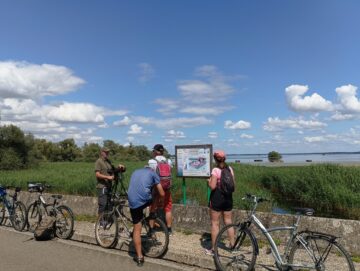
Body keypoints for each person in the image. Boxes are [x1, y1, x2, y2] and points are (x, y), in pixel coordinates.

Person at [127, 165, 165, 266]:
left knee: (137, 227)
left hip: (132, 200)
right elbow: (162, 193)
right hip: (143, 200)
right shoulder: (153, 173)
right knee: (157, 195)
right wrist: (161, 203)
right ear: (153, 169)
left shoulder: (136, 170)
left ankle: (139, 257)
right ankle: (152, 213)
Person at [205, 150, 235, 256]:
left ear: (215, 159)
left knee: (215, 223)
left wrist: (209, 181)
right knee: (228, 221)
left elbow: (212, 186)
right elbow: (233, 185)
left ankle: (213, 249)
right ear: (225, 159)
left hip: (217, 199)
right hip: (228, 199)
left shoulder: (215, 170)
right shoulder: (230, 169)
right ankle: (232, 245)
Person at [148, 144, 174, 236]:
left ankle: (151, 229)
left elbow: (150, 174)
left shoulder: (152, 161)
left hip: (156, 188)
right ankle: (169, 229)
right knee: (168, 207)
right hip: (166, 188)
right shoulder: (169, 161)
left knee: (153, 208)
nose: (153, 152)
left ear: (156, 151)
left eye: (153, 151)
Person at [94, 147, 125, 215]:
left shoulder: (108, 161)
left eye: (108, 152)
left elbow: (112, 170)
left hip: (109, 186)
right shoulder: (99, 161)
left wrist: (120, 167)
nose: (107, 153)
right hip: (102, 186)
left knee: (108, 203)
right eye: (106, 152)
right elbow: (97, 174)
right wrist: (108, 177)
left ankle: (106, 219)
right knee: (103, 204)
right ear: (102, 152)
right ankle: (100, 222)